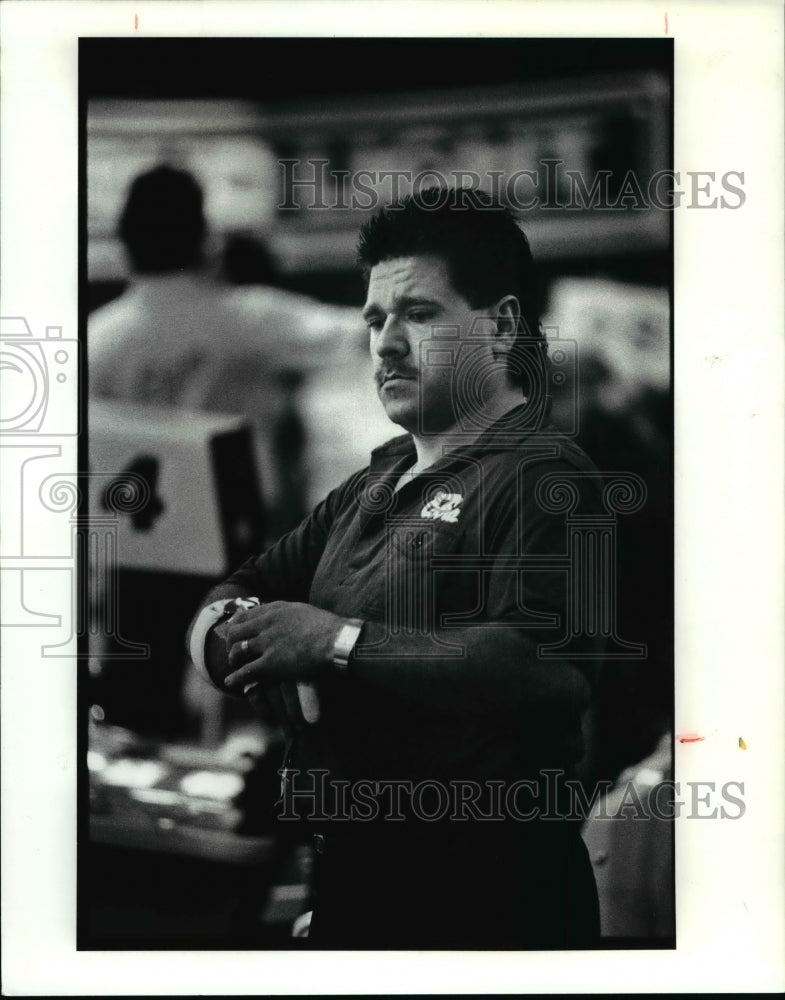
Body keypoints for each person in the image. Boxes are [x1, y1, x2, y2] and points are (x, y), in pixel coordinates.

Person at [187, 187, 605, 948]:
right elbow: (240, 589)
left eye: (418, 314)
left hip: (484, 899)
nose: (384, 343)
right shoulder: (371, 481)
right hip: (353, 880)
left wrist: (334, 644)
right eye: (375, 319)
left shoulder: (546, 475)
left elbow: (539, 660)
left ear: (502, 324)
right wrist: (234, 644)